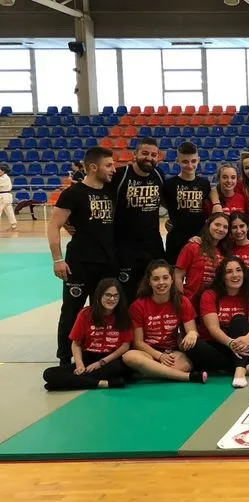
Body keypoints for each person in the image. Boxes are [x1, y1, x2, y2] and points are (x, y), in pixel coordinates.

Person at [49, 147, 117, 365]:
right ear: (93, 167)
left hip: (107, 262)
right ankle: (65, 358)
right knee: (72, 311)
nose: (113, 169)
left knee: (104, 310)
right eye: (109, 165)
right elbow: (54, 225)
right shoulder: (73, 193)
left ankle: (97, 353)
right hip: (79, 263)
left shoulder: (111, 190)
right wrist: (58, 259)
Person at [121, 260, 210, 384]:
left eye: (165, 278)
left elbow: (192, 330)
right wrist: (160, 356)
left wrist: (192, 334)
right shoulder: (138, 306)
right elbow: (138, 343)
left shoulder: (182, 301)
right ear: (149, 282)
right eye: (156, 279)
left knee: (187, 364)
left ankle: (147, 374)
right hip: (149, 354)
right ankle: (187, 377)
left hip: (173, 354)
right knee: (129, 357)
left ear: (172, 279)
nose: (161, 282)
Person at [42, 278, 132, 391]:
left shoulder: (124, 315)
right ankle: (102, 383)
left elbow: (125, 346)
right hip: (87, 358)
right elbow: (76, 344)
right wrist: (80, 365)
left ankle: (68, 383)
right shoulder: (86, 313)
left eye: (116, 296)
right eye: (108, 295)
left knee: (118, 368)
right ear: (99, 295)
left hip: (109, 360)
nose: (112, 299)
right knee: (49, 373)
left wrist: (101, 363)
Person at [196, 256, 249, 387]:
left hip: (244, 345)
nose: (235, 275)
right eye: (229, 272)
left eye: (238, 270)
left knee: (239, 320)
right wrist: (230, 343)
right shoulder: (209, 295)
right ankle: (247, 368)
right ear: (222, 276)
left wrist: (247, 339)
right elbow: (213, 328)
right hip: (219, 344)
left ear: (244, 273)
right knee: (193, 346)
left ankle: (240, 372)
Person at [112, 138, 165, 296]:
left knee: (154, 292)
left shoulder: (158, 174)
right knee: (127, 294)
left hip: (153, 246)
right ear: (135, 154)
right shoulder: (120, 175)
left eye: (153, 155)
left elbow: (167, 200)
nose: (149, 158)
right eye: (145, 153)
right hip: (125, 248)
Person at [162, 142, 211, 264]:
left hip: (199, 239)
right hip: (176, 241)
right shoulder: (169, 185)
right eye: (185, 161)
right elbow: (162, 202)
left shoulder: (205, 184)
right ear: (177, 161)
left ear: (198, 160)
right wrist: (171, 219)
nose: (190, 165)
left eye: (193, 161)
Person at [175, 213, 229, 303]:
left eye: (225, 227)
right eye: (217, 224)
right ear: (208, 224)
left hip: (214, 303)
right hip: (191, 301)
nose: (221, 229)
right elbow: (178, 276)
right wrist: (182, 301)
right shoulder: (193, 247)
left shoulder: (225, 252)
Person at [0, 164, 16, 231]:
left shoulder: (4, 178)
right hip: (6, 196)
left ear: (3, 171)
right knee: (9, 211)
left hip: (4, 196)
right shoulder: (5, 177)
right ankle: (13, 225)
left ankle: (13, 224)